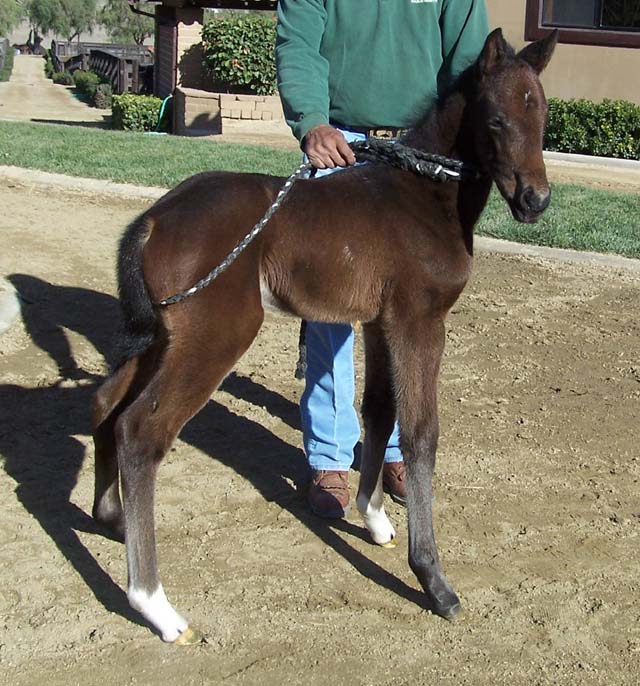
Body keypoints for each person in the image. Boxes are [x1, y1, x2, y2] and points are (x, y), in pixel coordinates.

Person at [275, 0, 489, 518]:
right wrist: (312, 122)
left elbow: (469, 64)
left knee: (409, 314)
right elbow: (299, 44)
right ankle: (329, 454)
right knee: (330, 313)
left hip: (423, 151)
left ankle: (392, 448)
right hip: (340, 145)